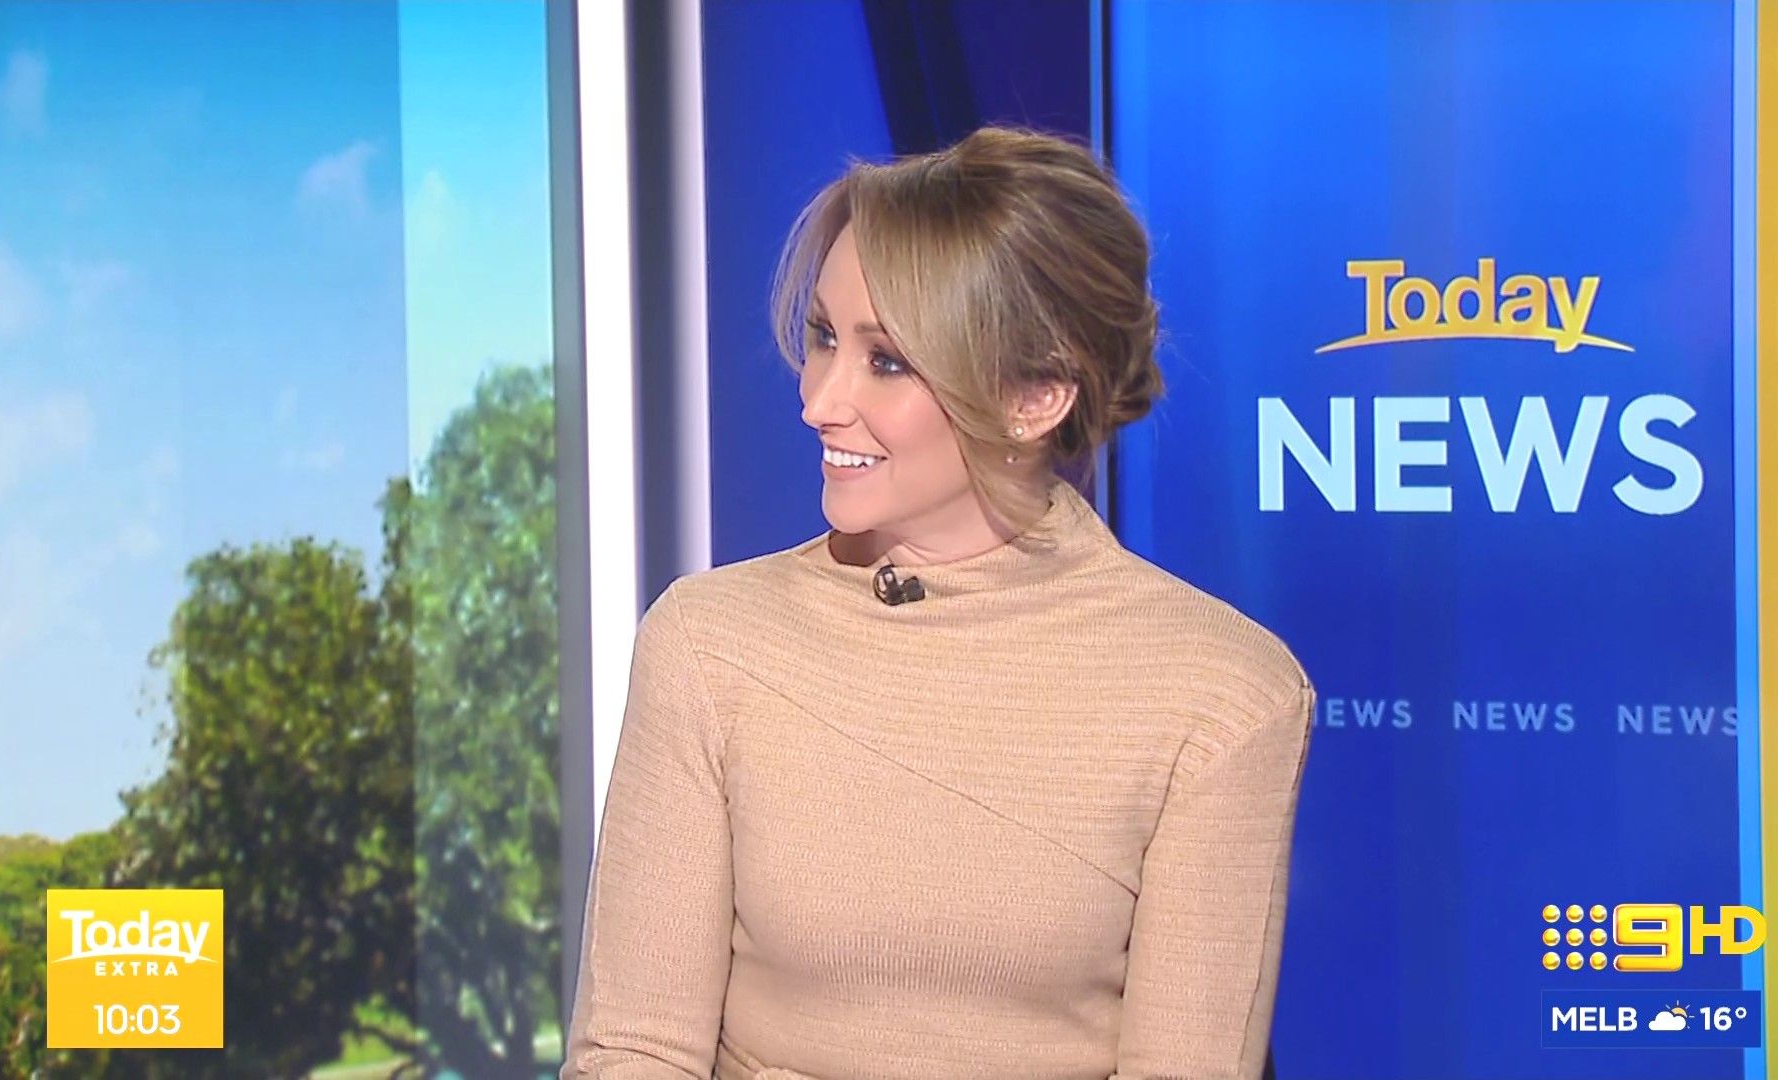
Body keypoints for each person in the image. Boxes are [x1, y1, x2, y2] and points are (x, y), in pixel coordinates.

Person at [562, 125, 1314, 1080]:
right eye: (824, 338)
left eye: (885, 361)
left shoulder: (1223, 696)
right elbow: (631, 1052)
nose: (819, 402)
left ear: (1034, 396)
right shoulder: (710, 646)